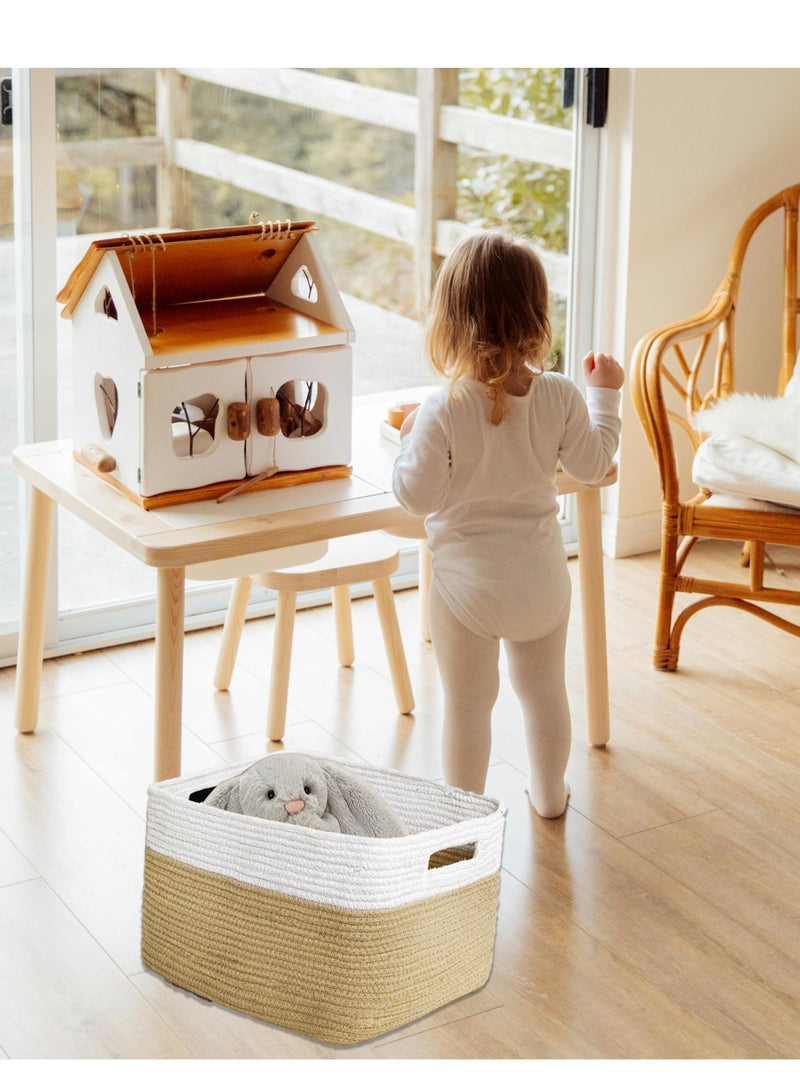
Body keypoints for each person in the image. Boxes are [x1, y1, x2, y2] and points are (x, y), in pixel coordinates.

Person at [392, 231, 622, 818]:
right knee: (544, 694)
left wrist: (408, 437)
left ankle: (464, 818)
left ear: (451, 319)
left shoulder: (444, 408)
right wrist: (607, 398)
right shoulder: (562, 395)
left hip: (469, 591)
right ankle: (550, 797)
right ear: (536, 316)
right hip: (543, 581)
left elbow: (417, 497)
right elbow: (594, 467)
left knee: (469, 706)